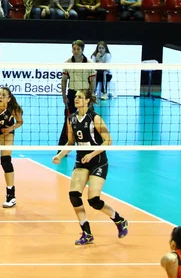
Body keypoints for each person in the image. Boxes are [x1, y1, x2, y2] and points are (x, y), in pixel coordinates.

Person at [52, 89, 128, 245]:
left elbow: (108, 141)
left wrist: (91, 155)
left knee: (93, 200)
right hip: (81, 160)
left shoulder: (95, 118)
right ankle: (86, 232)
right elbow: (71, 143)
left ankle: (119, 220)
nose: (76, 99)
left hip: (98, 160)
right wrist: (60, 155)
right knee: (74, 195)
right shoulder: (71, 119)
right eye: (76, 97)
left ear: (87, 100)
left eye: (80, 97)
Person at [58, 40, 96, 150]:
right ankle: (62, 148)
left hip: (85, 94)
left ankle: (93, 146)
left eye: (78, 49)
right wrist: (64, 96)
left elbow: (93, 81)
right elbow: (64, 80)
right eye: (74, 49)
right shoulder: (68, 63)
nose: (76, 51)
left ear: (82, 50)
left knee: (89, 120)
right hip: (72, 94)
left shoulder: (89, 64)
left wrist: (90, 95)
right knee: (68, 121)